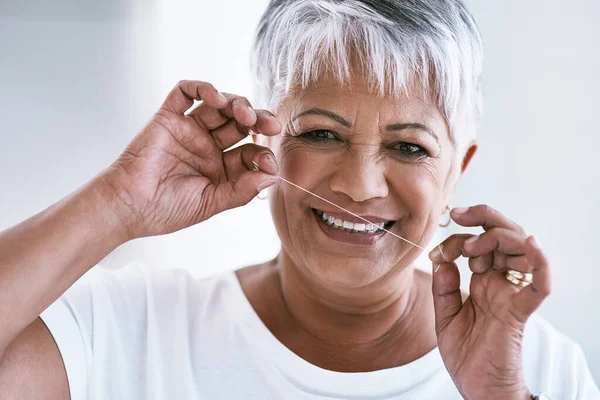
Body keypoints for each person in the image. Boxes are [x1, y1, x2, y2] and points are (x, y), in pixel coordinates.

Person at [0, 0, 598, 399]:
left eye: (410, 148)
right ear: (266, 139)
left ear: (456, 172)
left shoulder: (536, 368)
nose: (360, 185)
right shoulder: (132, 331)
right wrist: (117, 201)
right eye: (320, 134)